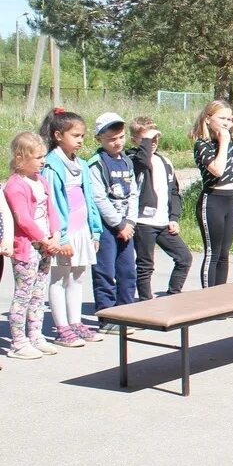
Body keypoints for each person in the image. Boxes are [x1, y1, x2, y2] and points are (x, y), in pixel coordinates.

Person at [41, 108, 104, 346]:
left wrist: (95, 230)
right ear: (58, 135)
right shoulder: (51, 165)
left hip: (82, 231)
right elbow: (52, 205)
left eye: (82, 136)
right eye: (76, 136)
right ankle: (62, 328)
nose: (80, 141)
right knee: (59, 277)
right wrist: (62, 237)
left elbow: (91, 199)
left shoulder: (83, 164)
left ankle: (76, 322)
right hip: (63, 234)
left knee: (77, 277)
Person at [5, 132, 62, 359]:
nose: (42, 161)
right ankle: (18, 343)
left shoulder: (42, 181)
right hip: (27, 248)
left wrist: (56, 236)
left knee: (39, 294)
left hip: (46, 245)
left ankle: (35, 335)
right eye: (37, 157)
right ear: (21, 158)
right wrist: (43, 239)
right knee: (24, 294)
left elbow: (52, 210)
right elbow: (23, 220)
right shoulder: (15, 185)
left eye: (43, 156)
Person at [191, 100, 233, 288]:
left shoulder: (230, 142)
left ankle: (220, 297)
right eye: (222, 118)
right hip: (212, 200)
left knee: (224, 253)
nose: (226, 122)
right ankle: (207, 298)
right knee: (213, 252)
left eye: (229, 118)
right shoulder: (203, 145)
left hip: (230, 200)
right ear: (208, 119)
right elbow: (217, 170)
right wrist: (224, 141)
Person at [127, 117, 191, 299]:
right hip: (143, 222)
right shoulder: (132, 158)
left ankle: (173, 295)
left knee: (184, 258)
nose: (152, 143)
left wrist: (174, 217)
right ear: (135, 141)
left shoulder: (164, 162)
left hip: (163, 221)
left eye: (155, 139)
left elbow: (174, 192)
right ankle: (146, 302)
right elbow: (143, 163)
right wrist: (146, 141)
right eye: (146, 139)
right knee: (145, 265)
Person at [87, 112, 139, 330]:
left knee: (127, 271)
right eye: (111, 139)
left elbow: (134, 192)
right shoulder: (96, 164)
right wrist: (118, 224)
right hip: (107, 228)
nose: (117, 142)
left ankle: (126, 314)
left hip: (126, 226)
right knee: (105, 272)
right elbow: (98, 197)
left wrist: (130, 223)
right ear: (99, 138)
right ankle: (107, 318)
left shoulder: (127, 161)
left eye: (121, 137)